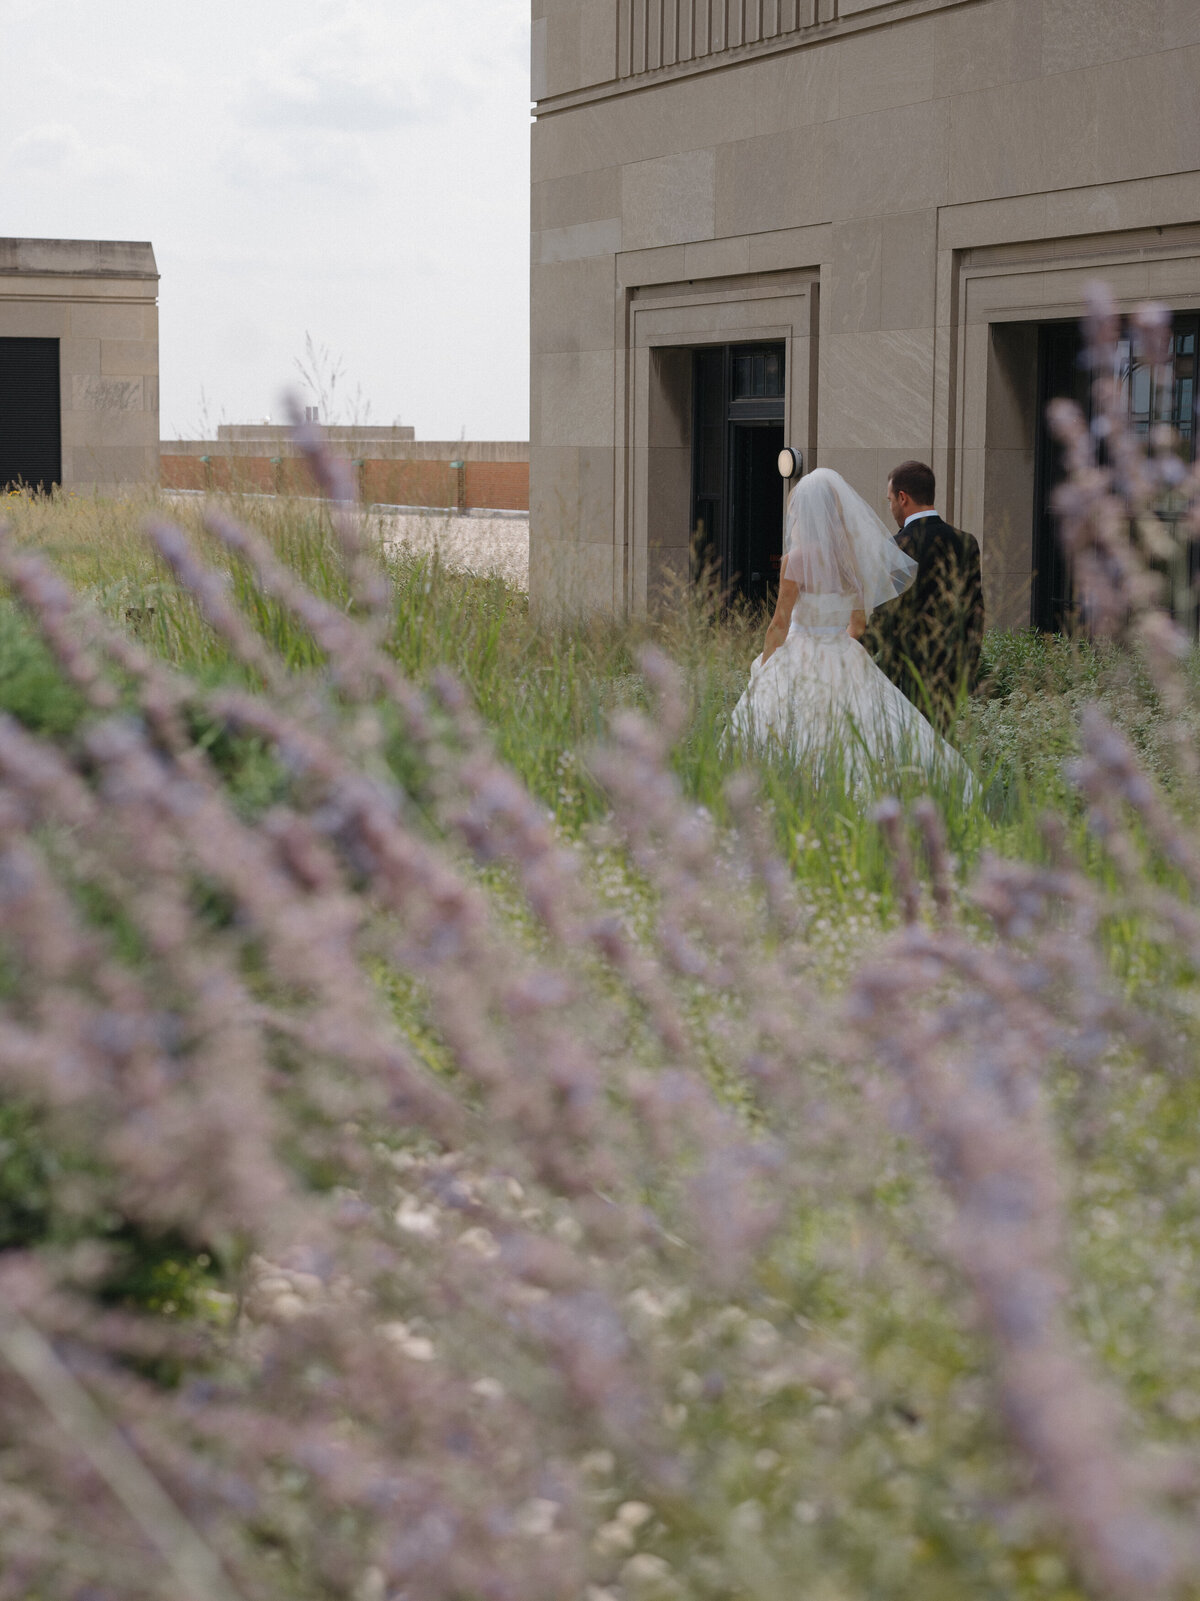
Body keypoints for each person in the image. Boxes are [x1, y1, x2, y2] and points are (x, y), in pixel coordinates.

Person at [729, 468, 973, 792]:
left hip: (799, 650)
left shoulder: (796, 560)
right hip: (843, 653)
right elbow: (858, 625)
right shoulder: (850, 562)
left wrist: (766, 666)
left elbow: (779, 623)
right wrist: (835, 645)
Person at [862, 461, 985, 732]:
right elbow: (975, 612)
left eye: (891, 500)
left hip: (907, 676)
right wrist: (967, 670)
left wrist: (857, 653)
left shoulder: (898, 546)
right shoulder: (966, 542)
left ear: (903, 498)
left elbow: (886, 617)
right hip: (952, 675)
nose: (891, 506)